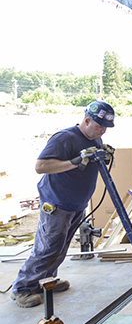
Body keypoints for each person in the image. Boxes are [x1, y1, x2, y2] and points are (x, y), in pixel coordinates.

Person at [10, 101, 115, 308]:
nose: (102, 130)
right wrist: (74, 162)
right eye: (98, 125)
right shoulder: (65, 138)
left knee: (62, 246)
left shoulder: (96, 138)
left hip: (76, 203)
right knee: (48, 247)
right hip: (57, 202)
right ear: (86, 120)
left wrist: (103, 154)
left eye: (105, 127)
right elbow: (40, 166)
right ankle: (22, 288)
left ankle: (45, 281)